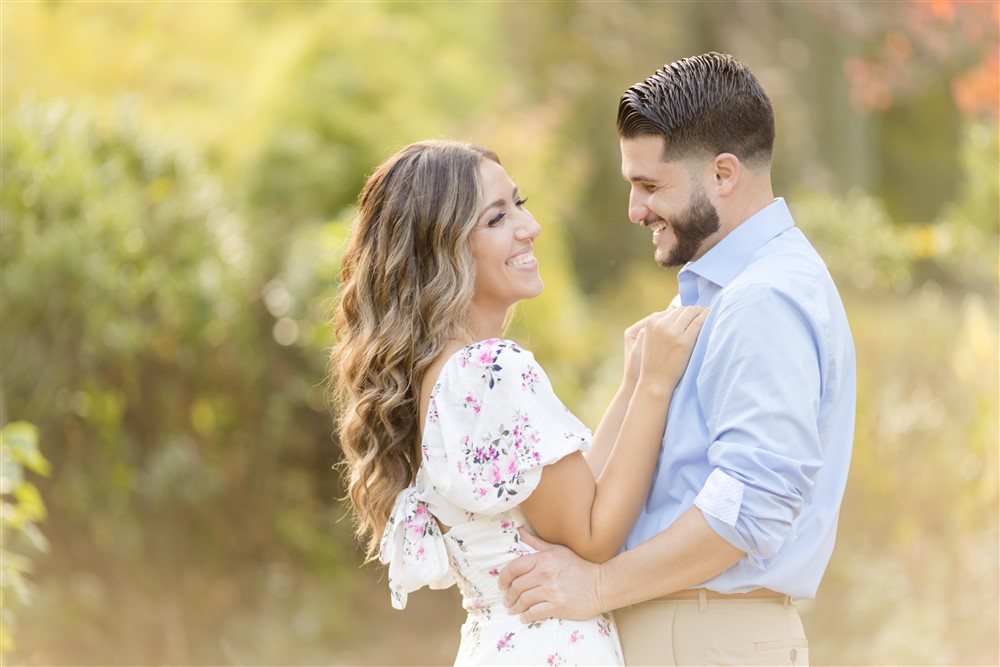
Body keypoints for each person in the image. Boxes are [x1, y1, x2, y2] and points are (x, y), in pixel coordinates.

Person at [499, 52, 856, 667]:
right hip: (690, 632)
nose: (636, 211)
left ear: (722, 174)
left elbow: (752, 504)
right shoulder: (725, 291)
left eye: (650, 186)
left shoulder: (762, 298)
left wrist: (599, 588)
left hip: (703, 637)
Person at [330, 140, 708, 666]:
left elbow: (558, 510)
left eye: (519, 204)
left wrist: (629, 387)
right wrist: (654, 387)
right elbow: (592, 536)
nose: (528, 228)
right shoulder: (492, 369)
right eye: (496, 219)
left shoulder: (439, 376)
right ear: (441, 250)